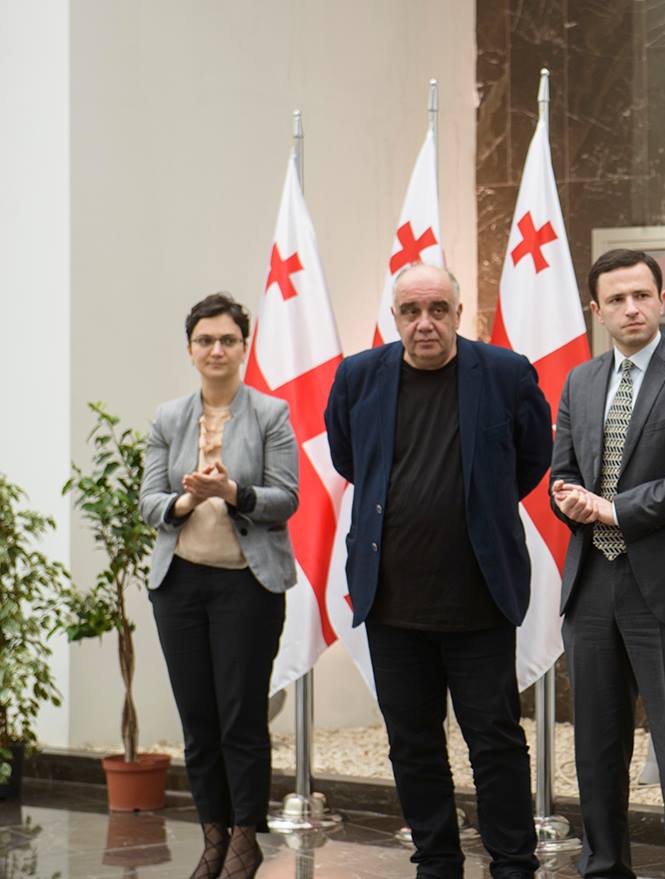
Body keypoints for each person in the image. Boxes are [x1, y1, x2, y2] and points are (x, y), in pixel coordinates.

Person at [324, 262, 552, 879]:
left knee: (495, 742)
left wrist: (479, 507)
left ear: (458, 312)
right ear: (394, 316)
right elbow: (350, 459)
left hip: (479, 598)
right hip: (392, 600)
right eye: (411, 311)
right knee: (412, 743)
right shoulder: (358, 377)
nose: (425, 323)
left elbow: (532, 457)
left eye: (437, 310)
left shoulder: (504, 373)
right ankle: (437, 861)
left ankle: (512, 863)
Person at [550, 248, 665, 879]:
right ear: (597, 311)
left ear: (661, 301)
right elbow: (562, 472)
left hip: (662, 584)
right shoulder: (580, 381)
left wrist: (614, 509)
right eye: (617, 300)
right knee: (596, 751)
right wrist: (569, 499)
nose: (631, 308)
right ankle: (603, 868)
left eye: (641, 296)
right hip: (590, 586)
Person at [140, 292, 298, 879]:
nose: (216, 350)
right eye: (205, 340)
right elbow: (149, 502)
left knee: (240, 718)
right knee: (198, 721)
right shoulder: (167, 418)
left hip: (246, 587)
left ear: (243, 347)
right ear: (190, 350)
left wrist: (232, 492)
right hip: (179, 587)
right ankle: (213, 837)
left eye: (227, 340)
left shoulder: (271, 414)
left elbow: (286, 498)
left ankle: (245, 838)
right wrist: (186, 500)